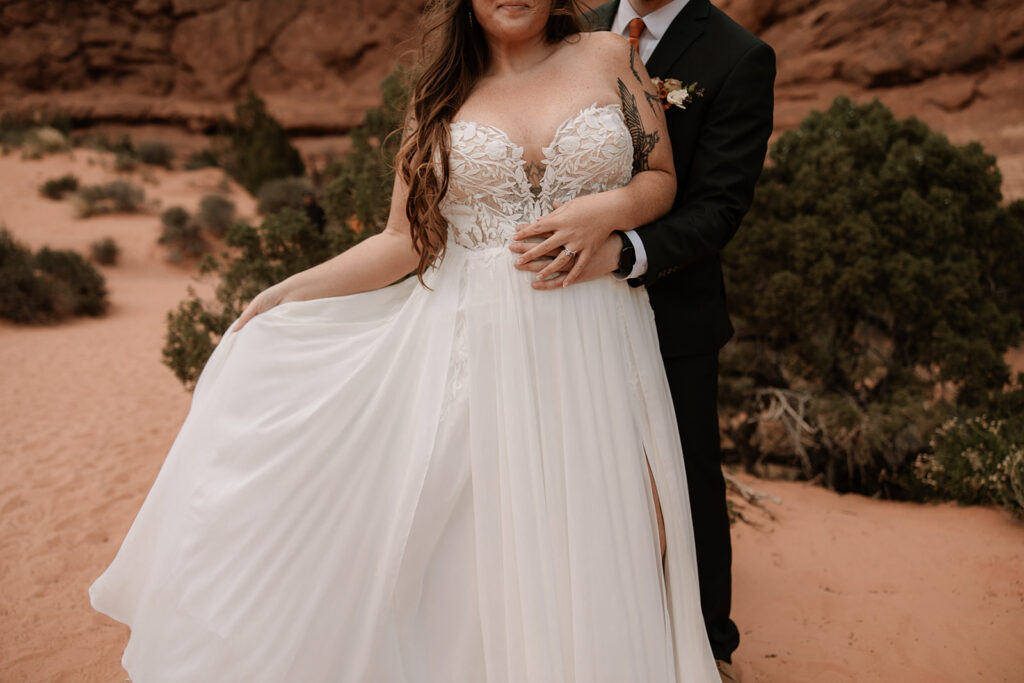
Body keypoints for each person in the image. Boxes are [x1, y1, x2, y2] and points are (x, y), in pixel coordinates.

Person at [89, 1, 720, 681]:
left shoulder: (609, 56)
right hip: (475, 351)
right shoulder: (438, 97)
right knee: (472, 560)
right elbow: (405, 240)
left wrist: (609, 209)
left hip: (596, 341)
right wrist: (289, 291)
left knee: (610, 542)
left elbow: (660, 178)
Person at [510, 0, 776, 679]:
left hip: (670, 307)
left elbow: (720, 206)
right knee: (576, 469)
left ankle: (709, 641)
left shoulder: (738, 55)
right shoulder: (571, 28)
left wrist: (623, 250)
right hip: (559, 309)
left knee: (683, 475)